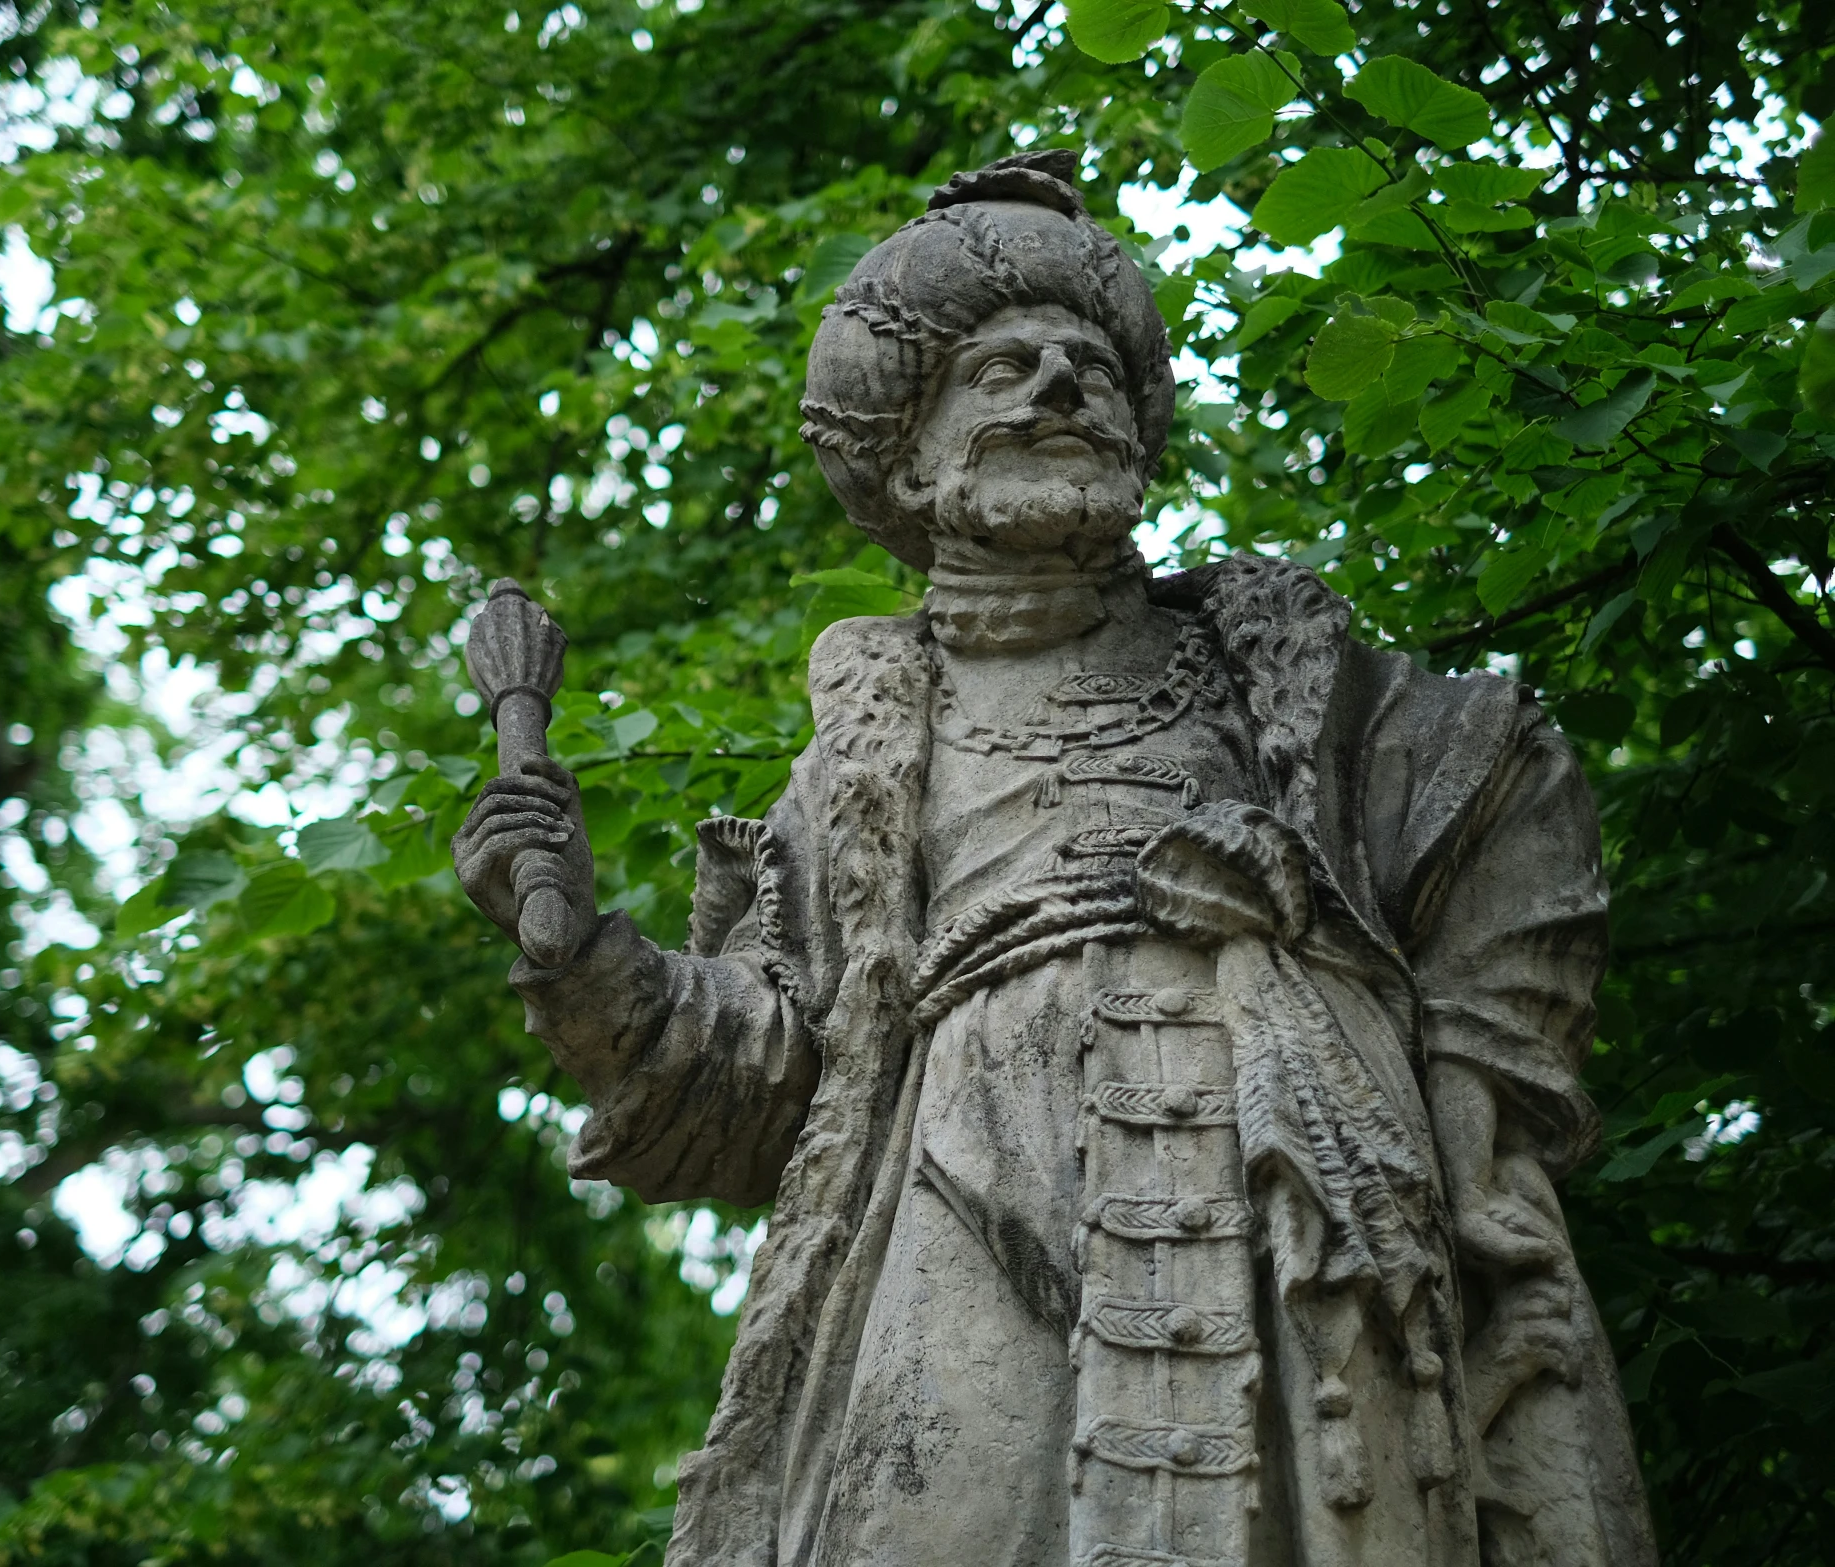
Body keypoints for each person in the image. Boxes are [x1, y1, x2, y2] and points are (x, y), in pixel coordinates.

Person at [452, 150, 1655, 1567]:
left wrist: (1460, 1089)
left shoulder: (1279, 669)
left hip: (1289, 1198)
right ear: (907, 450)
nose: (1056, 386)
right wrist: (588, 952)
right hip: (956, 1190)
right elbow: (759, 1071)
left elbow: (1509, 785)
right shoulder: (860, 742)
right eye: (1002, 367)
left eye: (1087, 364)